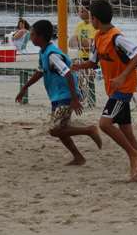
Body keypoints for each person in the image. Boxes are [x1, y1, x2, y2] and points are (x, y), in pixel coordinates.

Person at [72, 0, 137, 181]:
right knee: (126, 131)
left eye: (90, 17)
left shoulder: (117, 37)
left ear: (95, 19)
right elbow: (93, 62)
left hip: (124, 88)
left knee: (105, 124)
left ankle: (133, 154)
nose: (89, 20)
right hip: (113, 88)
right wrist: (77, 66)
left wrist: (123, 76)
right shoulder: (98, 37)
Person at [16, 20, 102, 165]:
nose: (30, 37)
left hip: (66, 96)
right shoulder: (43, 52)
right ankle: (78, 157)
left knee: (55, 130)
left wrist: (74, 99)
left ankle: (90, 130)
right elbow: (40, 71)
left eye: (32, 34)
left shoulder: (52, 55)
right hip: (58, 96)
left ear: (41, 36)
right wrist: (25, 88)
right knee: (61, 129)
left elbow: (68, 73)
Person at [68, 4, 97, 101]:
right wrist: (81, 42)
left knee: (82, 72)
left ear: (89, 11)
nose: (79, 13)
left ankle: (81, 94)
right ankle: (79, 94)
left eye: (81, 11)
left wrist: (79, 41)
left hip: (92, 59)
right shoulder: (80, 25)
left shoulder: (94, 25)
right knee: (70, 70)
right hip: (81, 57)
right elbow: (71, 43)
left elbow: (90, 45)